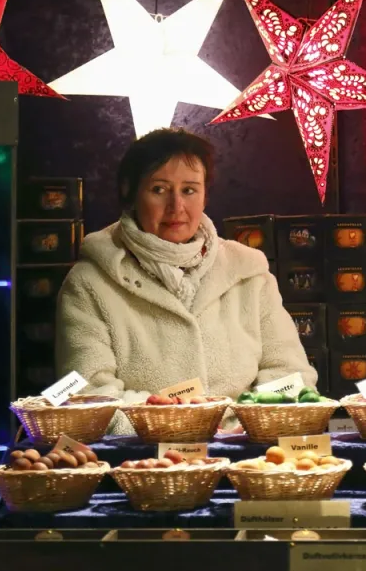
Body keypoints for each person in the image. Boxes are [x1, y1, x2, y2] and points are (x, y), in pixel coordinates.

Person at [55, 128, 317, 431]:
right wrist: (171, 425)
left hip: (246, 457)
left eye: (189, 190)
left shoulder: (248, 271)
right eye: (159, 189)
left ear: (205, 194)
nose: (176, 207)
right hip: (142, 461)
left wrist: (245, 427)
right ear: (130, 191)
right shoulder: (90, 282)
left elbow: (292, 374)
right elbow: (86, 395)